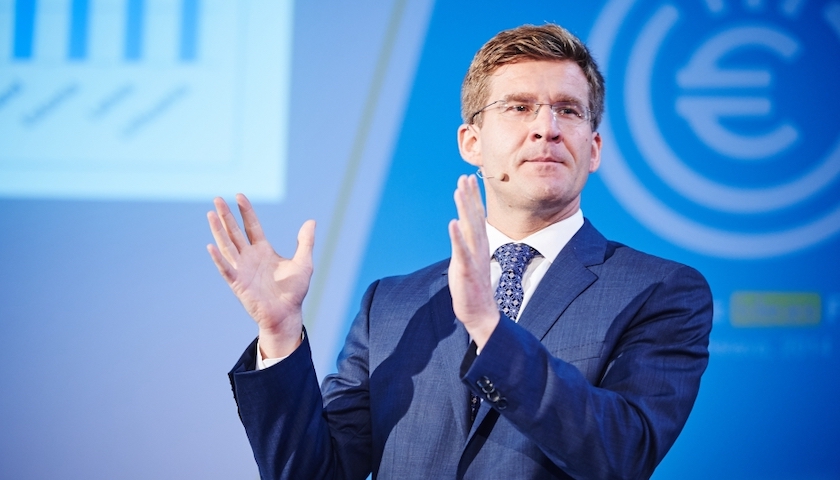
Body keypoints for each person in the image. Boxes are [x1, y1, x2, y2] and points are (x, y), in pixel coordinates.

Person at [207, 23, 712, 480]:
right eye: (519, 107)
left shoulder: (661, 291)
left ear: (594, 148)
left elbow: (622, 453)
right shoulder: (391, 305)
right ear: (471, 142)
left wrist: (490, 329)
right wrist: (280, 334)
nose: (547, 127)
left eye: (568, 110)